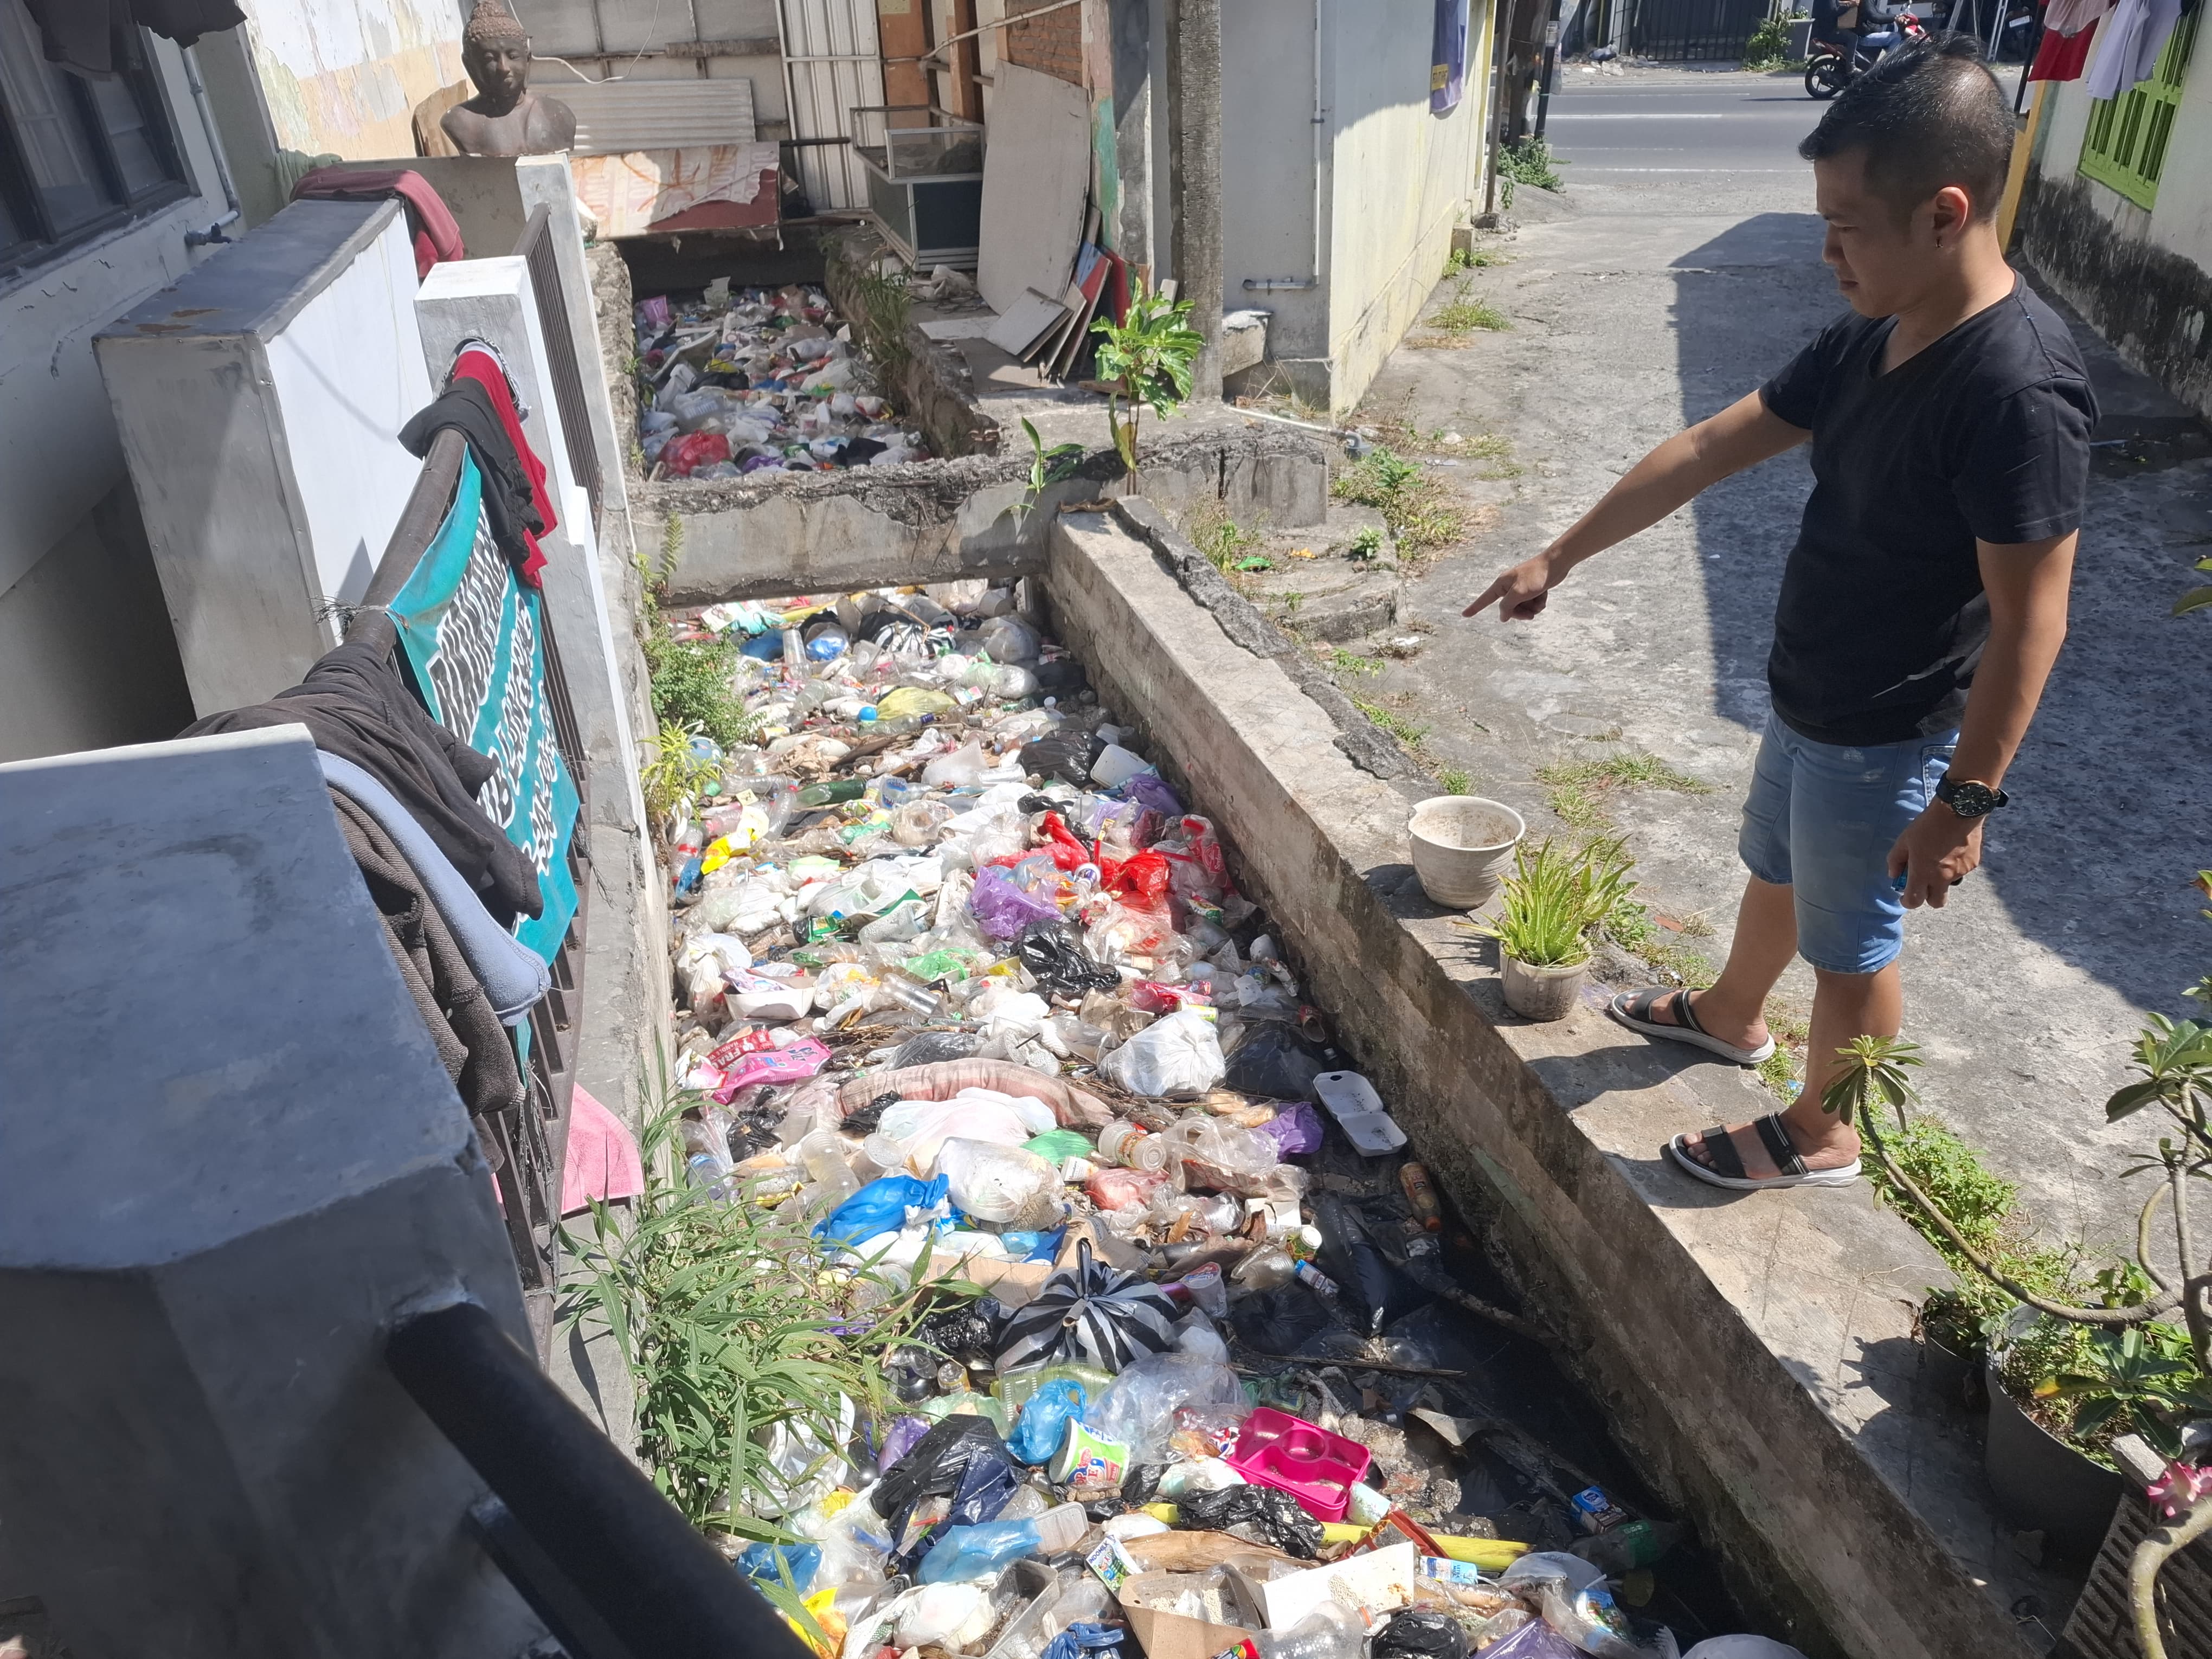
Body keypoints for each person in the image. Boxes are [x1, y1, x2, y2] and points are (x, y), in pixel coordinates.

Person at [1461, 37, 2095, 1192]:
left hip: (1893, 726)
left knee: (1851, 948)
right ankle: (1729, 1012)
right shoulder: (1876, 333)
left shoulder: (2016, 394)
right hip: (1811, 688)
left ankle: (1822, 1130)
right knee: (1779, 870)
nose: (1827, 251)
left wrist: (1964, 800)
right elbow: (1713, 444)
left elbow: (2032, 618)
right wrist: (1560, 554)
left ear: (1945, 213)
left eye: (1848, 223)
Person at [440, 0, 575, 158]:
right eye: (489, 58)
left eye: (513, 56)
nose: (504, 68)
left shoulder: (558, 115)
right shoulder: (460, 121)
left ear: (528, 60)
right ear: (470, 66)